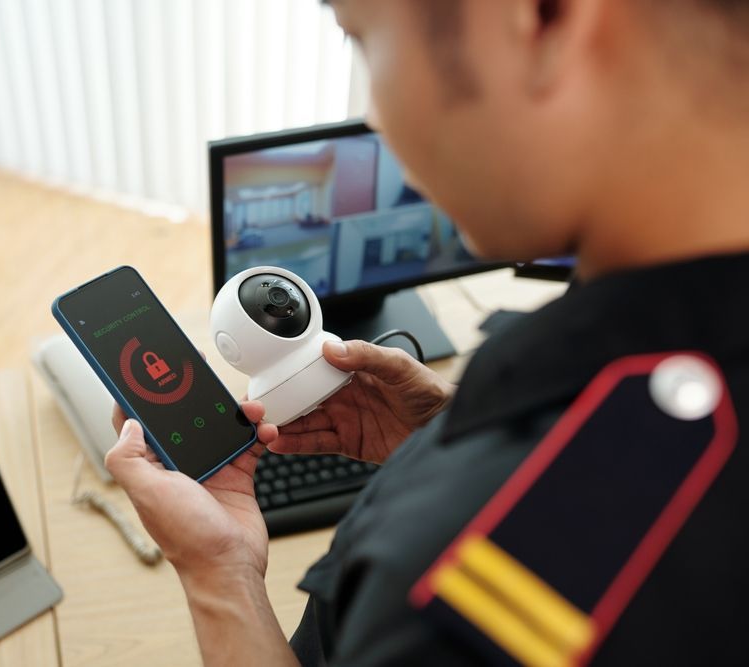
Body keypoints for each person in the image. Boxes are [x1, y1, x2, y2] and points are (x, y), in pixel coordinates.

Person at [106, 0, 749, 664]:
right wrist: (447, 438)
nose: (376, 120)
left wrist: (218, 573)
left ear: (543, 18)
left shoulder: (455, 593)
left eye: (361, 37)